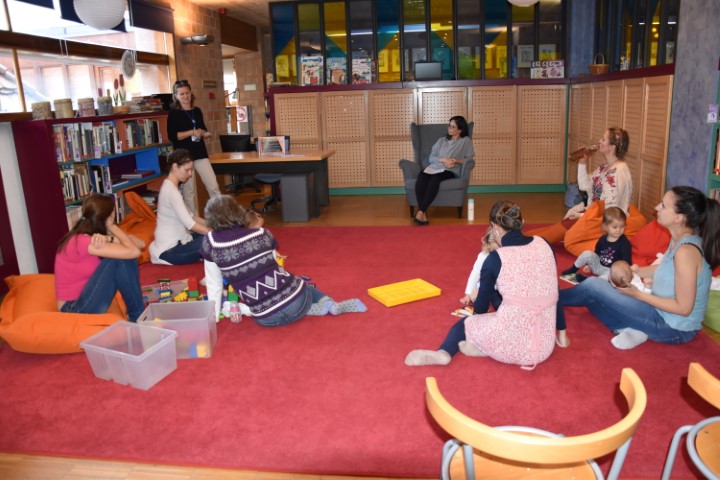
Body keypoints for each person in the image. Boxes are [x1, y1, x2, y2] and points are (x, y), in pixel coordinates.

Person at [556, 186, 720, 350]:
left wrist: (638, 295)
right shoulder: (679, 240)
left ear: (679, 218)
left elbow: (683, 308)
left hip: (672, 327)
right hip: (658, 312)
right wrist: (635, 271)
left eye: (663, 205)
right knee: (594, 298)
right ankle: (629, 329)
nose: (657, 208)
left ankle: (553, 299)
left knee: (593, 286)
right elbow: (667, 270)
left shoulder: (686, 252)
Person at [405, 200, 558, 369]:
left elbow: (481, 308)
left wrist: (478, 308)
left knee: (467, 323)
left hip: (510, 347)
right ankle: (484, 347)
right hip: (543, 346)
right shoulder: (545, 244)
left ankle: (444, 353)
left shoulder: (495, 258)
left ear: (495, 226)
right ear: (522, 222)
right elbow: (553, 290)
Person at [200, 195, 367, 326]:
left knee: (278, 301)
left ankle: (315, 308)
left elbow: (214, 283)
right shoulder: (262, 233)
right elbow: (274, 263)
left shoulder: (210, 243)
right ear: (238, 212)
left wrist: (213, 317)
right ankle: (329, 304)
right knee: (303, 285)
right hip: (297, 302)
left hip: (266, 318)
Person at [526, 127, 641, 251]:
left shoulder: (619, 172)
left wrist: (581, 216)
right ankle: (526, 239)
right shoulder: (605, 167)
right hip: (592, 215)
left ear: (613, 146)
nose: (599, 141)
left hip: (606, 220)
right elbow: (584, 185)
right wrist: (582, 163)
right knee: (562, 226)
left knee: (565, 228)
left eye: (603, 139)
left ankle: (526, 241)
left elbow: (610, 209)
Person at [55, 193, 145, 322]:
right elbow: (134, 252)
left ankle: (138, 316)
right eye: (113, 213)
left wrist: (109, 238)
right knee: (119, 258)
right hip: (72, 308)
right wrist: (112, 227)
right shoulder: (82, 241)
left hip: (84, 299)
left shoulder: (91, 236)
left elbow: (140, 244)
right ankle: (138, 317)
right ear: (109, 216)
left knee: (123, 255)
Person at [167, 79, 221, 214]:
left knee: (213, 185)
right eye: (182, 94)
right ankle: (192, 220)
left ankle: (220, 216)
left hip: (200, 153)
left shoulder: (196, 111)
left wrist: (202, 132)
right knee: (189, 190)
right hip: (184, 156)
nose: (186, 96)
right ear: (176, 96)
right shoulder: (173, 113)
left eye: (187, 93)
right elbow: (173, 136)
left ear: (191, 93)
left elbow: (202, 128)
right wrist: (192, 132)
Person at [149, 148, 211, 265]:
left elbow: (192, 216)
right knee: (213, 240)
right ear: (175, 167)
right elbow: (190, 224)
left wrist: (214, 225)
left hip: (178, 242)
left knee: (211, 236)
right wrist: (215, 233)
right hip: (170, 251)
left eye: (191, 170)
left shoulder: (171, 187)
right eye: (187, 170)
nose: (190, 174)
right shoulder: (171, 190)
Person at [413, 115, 475, 226]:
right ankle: (423, 213)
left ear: (460, 129)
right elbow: (431, 158)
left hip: (450, 170)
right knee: (421, 176)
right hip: (435, 167)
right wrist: (442, 159)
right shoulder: (441, 140)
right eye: (449, 126)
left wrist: (455, 161)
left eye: (453, 127)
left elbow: (469, 159)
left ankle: (420, 211)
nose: (449, 128)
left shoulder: (466, 141)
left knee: (435, 179)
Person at [560, 206, 632, 283]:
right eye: (615, 227)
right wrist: (589, 266)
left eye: (622, 226)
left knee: (609, 276)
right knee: (587, 253)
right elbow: (596, 253)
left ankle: (587, 280)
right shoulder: (602, 239)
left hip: (612, 271)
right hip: (599, 266)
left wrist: (623, 273)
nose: (619, 230)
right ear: (605, 227)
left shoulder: (624, 242)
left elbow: (626, 262)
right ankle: (572, 270)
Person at [455, 227, 501, 316]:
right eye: (497, 242)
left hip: (502, 288)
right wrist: (468, 294)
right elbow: (475, 273)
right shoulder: (484, 255)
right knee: (476, 297)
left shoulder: (506, 255)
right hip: (487, 287)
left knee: (499, 305)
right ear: (489, 242)